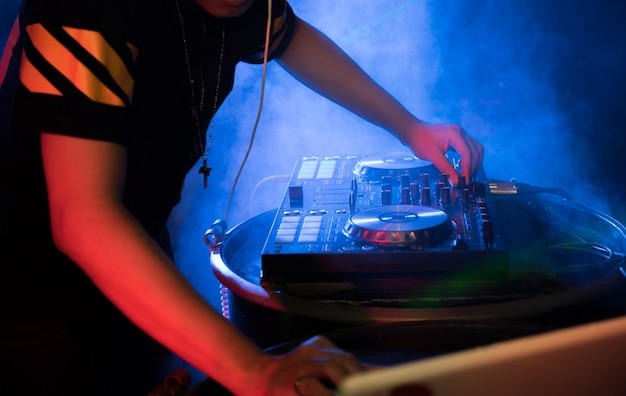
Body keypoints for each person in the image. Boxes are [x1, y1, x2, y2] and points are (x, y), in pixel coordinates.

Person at [0, 0, 483, 395]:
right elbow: (83, 217)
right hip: (30, 300)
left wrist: (409, 128)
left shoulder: (243, 4)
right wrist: (254, 370)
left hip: (132, 252)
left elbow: (292, 38)